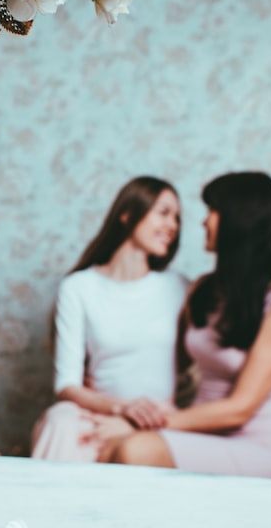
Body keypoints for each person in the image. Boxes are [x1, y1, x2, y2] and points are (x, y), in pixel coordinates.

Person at [95, 171, 271, 481]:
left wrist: (147, 423)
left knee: (135, 450)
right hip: (200, 435)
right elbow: (158, 351)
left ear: (239, 220)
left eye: (213, 212)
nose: (204, 222)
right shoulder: (204, 290)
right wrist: (98, 374)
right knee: (107, 449)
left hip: (258, 446)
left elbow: (239, 409)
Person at [30, 175, 189, 462]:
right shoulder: (78, 288)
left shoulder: (179, 287)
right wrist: (121, 409)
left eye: (177, 218)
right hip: (97, 411)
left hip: (159, 416)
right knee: (60, 423)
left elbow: (236, 298)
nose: (173, 226)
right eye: (163, 213)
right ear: (127, 215)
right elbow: (66, 385)